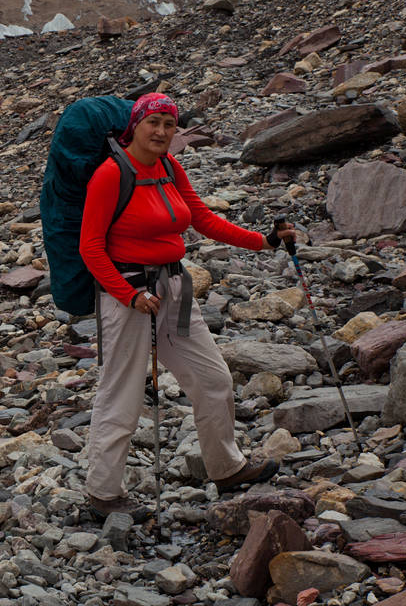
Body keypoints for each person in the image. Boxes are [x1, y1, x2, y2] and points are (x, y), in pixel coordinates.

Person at [79, 92, 295, 518]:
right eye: (153, 122)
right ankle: (103, 495)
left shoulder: (168, 167)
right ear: (135, 125)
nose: (161, 131)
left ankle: (226, 466)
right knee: (120, 393)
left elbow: (203, 219)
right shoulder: (110, 174)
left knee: (212, 378)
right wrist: (129, 295)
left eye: (169, 124)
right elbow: (90, 248)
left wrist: (264, 242)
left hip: (174, 288)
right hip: (129, 296)